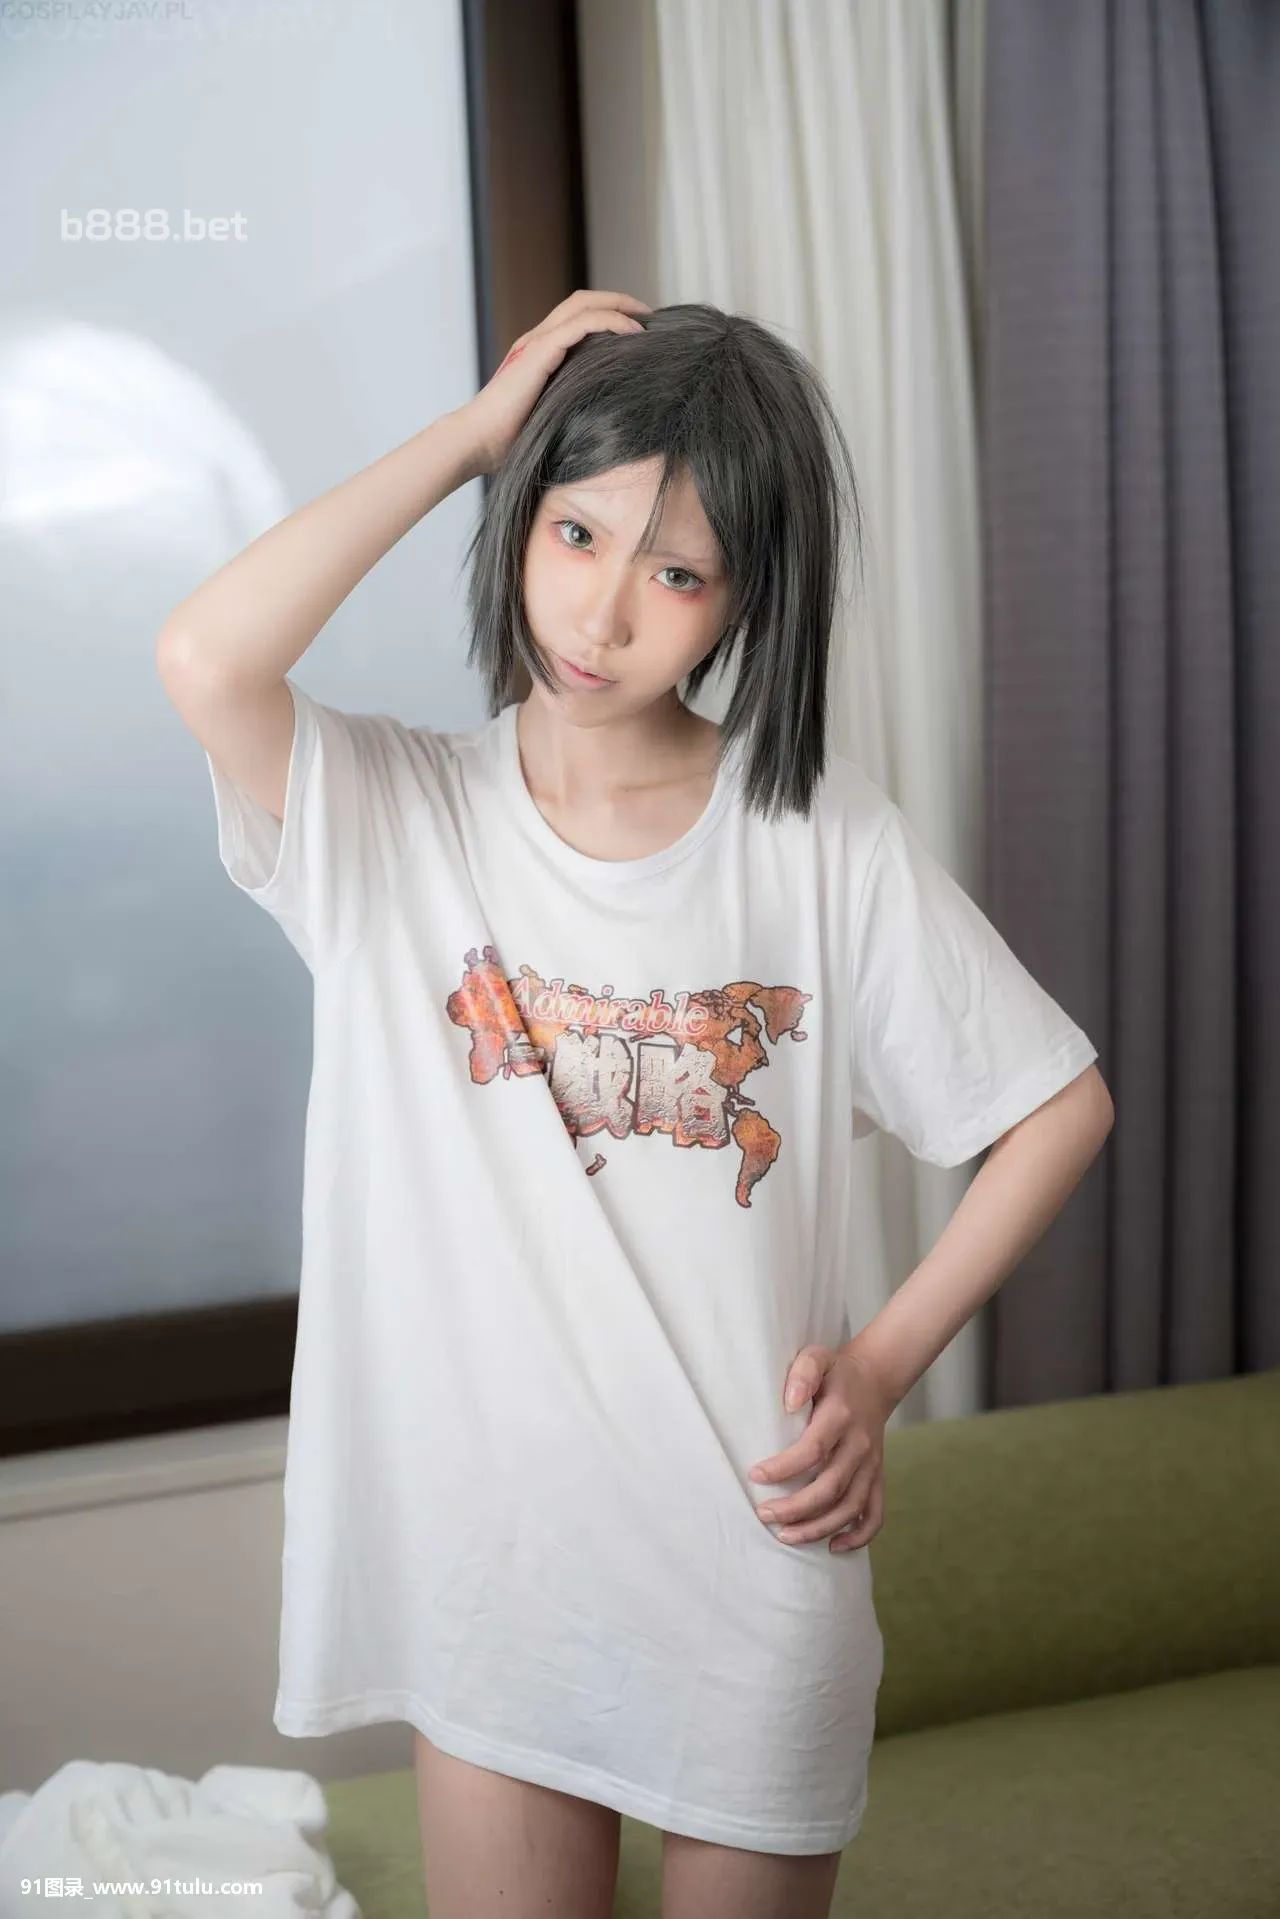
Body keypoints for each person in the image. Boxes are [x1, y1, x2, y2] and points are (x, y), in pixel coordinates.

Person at [157, 291, 1114, 1919]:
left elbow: (1057, 1106)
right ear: (517, 520)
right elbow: (205, 654)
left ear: (746, 598)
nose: (600, 612)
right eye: (574, 531)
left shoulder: (816, 839)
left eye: (675, 573)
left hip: (751, 1568)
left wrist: (882, 1365)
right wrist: (479, 430)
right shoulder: (392, 819)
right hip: (497, 1575)